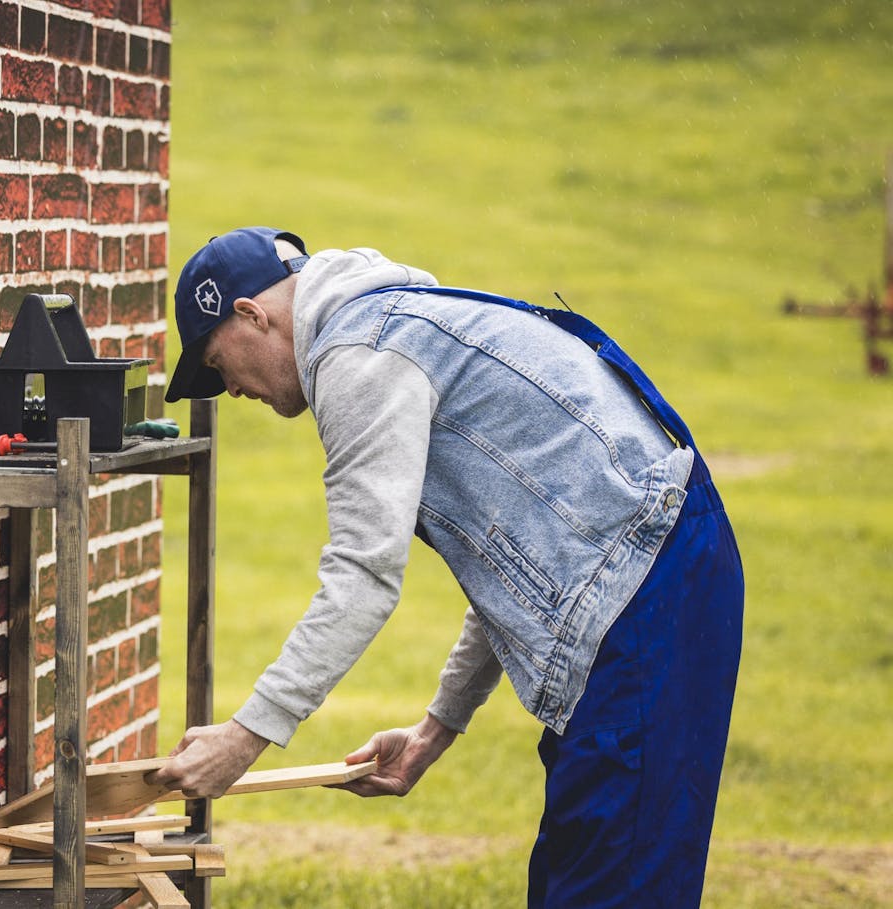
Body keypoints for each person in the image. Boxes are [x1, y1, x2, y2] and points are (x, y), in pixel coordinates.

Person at [149, 227, 743, 907]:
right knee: (577, 872)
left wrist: (244, 736)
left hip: (651, 598)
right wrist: (437, 729)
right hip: (651, 580)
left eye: (217, 364)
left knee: (615, 882)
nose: (228, 389)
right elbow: (511, 564)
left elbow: (363, 576)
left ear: (253, 314)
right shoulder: (397, 325)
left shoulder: (360, 355)